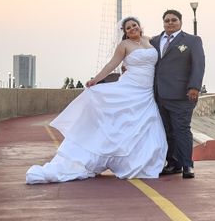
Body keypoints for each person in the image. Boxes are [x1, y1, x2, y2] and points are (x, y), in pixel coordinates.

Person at [25, 16, 167, 184]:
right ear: (125, 32)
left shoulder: (151, 40)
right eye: (128, 28)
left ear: (139, 26)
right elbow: (111, 65)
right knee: (119, 123)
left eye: (134, 25)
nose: (132, 29)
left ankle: (141, 163)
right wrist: (96, 80)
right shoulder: (124, 46)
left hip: (146, 92)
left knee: (145, 126)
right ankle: (99, 157)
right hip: (130, 88)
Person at [151, 9, 205, 179]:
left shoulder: (192, 41)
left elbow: (198, 65)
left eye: (174, 20)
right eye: (167, 20)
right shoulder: (154, 41)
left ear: (180, 22)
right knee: (167, 131)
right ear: (163, 22)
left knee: (182, 130)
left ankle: (188, 165)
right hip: (159, 95)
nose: (170, 23)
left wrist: (194, 87)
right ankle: (173, 163)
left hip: (183, 95)